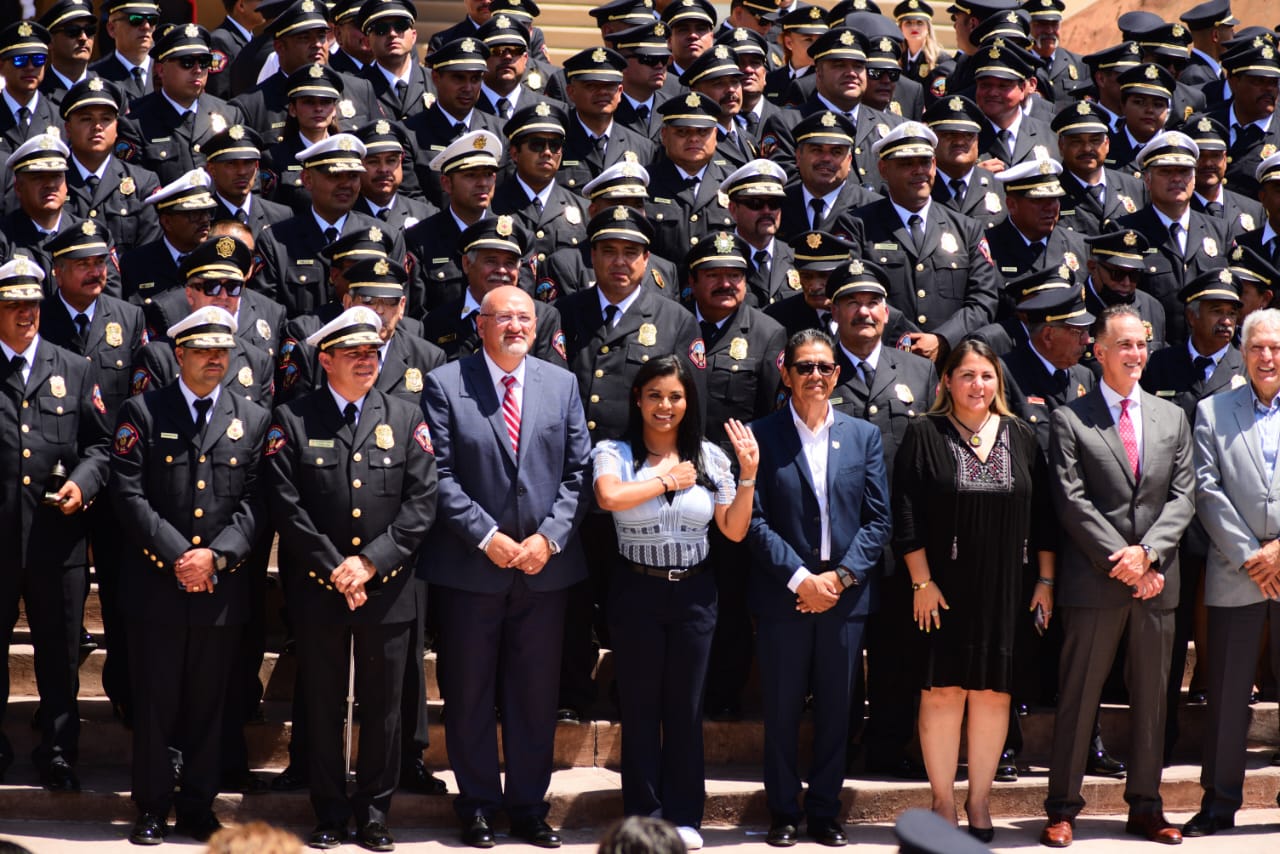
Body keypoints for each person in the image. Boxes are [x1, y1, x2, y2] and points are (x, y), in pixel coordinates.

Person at [422, 285, 589, 850]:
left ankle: (527, 807)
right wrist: (486, 536)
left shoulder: (561, 384)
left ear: (536, 328)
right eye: (503, 318)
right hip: (472, 571)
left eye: (524, 317)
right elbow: (438, 476)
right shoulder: (446, 383)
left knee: (534, 695)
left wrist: (550, 538)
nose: (515, 326)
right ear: (481, 324)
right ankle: (476, 806)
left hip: (544, 572)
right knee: (468, 693)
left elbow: (577, 474)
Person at [265, 305, 437, 851]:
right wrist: (334, 567)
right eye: (354, 353)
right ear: (327, 358)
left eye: (373, 352)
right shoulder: (294, 419)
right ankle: (330, 811)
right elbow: (287, 508)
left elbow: (421, 503)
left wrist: (370, 563)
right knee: (321, 699)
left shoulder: (406, 417)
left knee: (384, 705)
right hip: (320, 589)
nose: (367, 361)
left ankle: (375, 812)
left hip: (388, 590)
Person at [111, 304, 269, 845]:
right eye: (202, 350)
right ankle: (153, 806)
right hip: (158, 585)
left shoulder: (252, 418)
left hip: (220, 588)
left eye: (222, 351)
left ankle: (199, 804)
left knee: (209, 701)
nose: (213, 360)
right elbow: (128, 495)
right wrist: (180, 555)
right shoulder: (143, 411)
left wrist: (216, 558)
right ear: (179, 354)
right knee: (156, 702)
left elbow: (255, 503)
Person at [1041, 304, 1196, 848]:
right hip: (1096, 582)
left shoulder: (1171, 417)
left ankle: (1147, 808)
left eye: (1141, 344)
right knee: (1079, 696)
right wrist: (1125, 561)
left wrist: (1148, 555)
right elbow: (1072, 501)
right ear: (1098, 351)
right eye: (1124, 345)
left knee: (1154, 700)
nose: (1136, 354)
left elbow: (1183, 497)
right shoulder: (1070, 418)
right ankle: (1062, 808)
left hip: (1157, 583)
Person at [893, 337, 1053, 840]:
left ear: (998, 382)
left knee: (992, 695)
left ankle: (979, 802)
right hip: (939, 590)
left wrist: (1046, 581)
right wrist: (921, 580)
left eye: (986, 375)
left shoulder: (1023, 436)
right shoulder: (924, 433)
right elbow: (906, 512)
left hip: (1007, 587)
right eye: (966, 375)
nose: (977, 385)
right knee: (942, 694)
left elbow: (1045, 516)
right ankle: (943, 804)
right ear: (946, 381)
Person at [595, 353, 757, 850]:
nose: (665, 406)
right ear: (637, 400)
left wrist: (747, 475)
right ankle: (644, 820)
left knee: (686, 709)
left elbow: (733, 530)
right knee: (641, 709)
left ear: (689, 402)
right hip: (636, 590)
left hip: (694, 592)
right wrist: (666, 480)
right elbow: (609, 498)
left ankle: (686, 817)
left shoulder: (710, 457)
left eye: (675, 397)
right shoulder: (614, 452)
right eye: (655, 396)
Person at [749, 322, 891, 848]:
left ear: (837, 374)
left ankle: (826, 810)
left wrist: (841, 576)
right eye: (803, 366)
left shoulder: (863, 434)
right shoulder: (761, 435)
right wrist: (800, 578)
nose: (814, 375)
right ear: (785, 373)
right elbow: (754, 520)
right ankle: (784, 811)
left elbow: (878, 520)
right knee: (782, 709)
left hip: (844, 593)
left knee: (838, 709)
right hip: (784, 592)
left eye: (824, 367)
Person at [0, 256, 111, 791]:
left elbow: (100, 446)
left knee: (61, 654)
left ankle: (60, 751)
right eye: (14, 304)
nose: (26, 314)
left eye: (33, 304)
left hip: (57, 541)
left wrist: (83, 484)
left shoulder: (74, 367)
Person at [1185, 305, 1280, 837]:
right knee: (1226, 696)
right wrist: (1253, 555)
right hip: (1234, 570)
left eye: (1275, 348)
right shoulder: (1213, 411)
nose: (1267, 356)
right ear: (1243, 355)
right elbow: (1206, 488)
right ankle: (1219, 802)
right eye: (1258, 348)